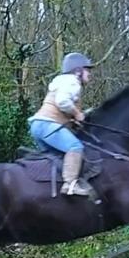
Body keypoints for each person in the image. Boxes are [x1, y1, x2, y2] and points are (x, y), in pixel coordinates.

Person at [28, 52, 94, 196]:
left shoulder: (62, 81)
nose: (89, 74)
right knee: (75, 147)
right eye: (87, 70)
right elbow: (62, 102)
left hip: (38, 126)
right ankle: (70, 185)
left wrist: (73, 121)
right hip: (47, 126)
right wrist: (77, 114)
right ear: (78, 71)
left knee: (60, 159)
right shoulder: (72, 82)